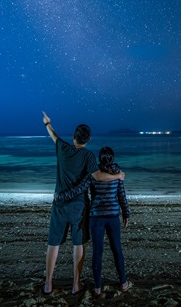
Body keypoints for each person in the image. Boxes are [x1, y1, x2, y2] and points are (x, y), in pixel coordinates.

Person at [41, 112, 124, 296]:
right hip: (79, 206)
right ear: (89, 139)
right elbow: (98, 177)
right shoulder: (88, 156)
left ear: (74, 137)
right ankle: (76, 284)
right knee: (78, 244)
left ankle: (48, 284)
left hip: (60, 204)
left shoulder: (63, 148)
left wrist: (47, 123)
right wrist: (117, 176)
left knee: (53, 244)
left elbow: (53, 135)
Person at [55, 146, 132, 296]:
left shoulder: (94, 174)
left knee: (98, 252)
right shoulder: (118, 173)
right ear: (113, 158)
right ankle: (123, 283)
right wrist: (126, 213)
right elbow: (121, 194)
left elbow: (78, 189)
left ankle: (97, 288)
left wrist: (61, 196)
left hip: (96, 217)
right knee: (117, 250)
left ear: (99, 158)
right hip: (113, 217)